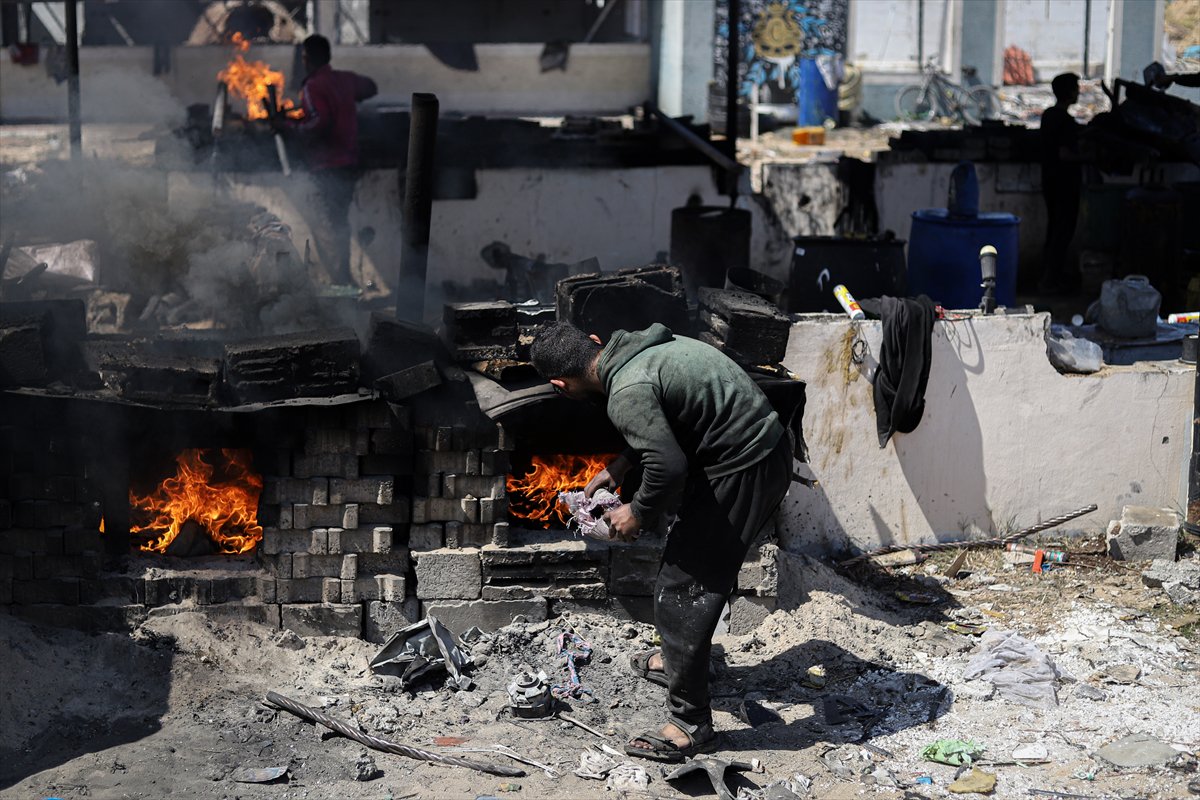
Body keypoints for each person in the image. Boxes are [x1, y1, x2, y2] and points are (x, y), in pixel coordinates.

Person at [530, 321, 792, 763]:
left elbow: (668, 468)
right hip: (761, 450)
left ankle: (690, 724)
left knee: (680, 588)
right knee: (693, 570)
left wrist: (636, 513)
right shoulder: (647, 347)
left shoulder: (625, 391)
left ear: (560, 384)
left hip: (746, 467)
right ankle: (679, 661)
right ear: (595, 341)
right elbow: (674, 418)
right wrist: (621, 466)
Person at [288, 34, 377, 286]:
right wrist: (346, 99)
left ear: (306, 59)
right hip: (348, 163)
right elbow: (371, 87)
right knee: (338, 223)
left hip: (327, 166)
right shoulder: (344, 79)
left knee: (327, 228)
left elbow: (320, 121)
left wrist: (292, 129)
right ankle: (344, 284)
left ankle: (341, 286)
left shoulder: (312, 86)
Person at [1039, 72, 1084, 294]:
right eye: (1076, 87)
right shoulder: (1065, 121)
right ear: (1069, 92)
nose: (1079, 92)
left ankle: (1048, 278)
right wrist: (1087, 157)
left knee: (1054, 229)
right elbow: (1065, 154)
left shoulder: (1048, 116)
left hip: (1049, 181)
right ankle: (1050, 281)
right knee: (1062, 231)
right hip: (1065, 184)